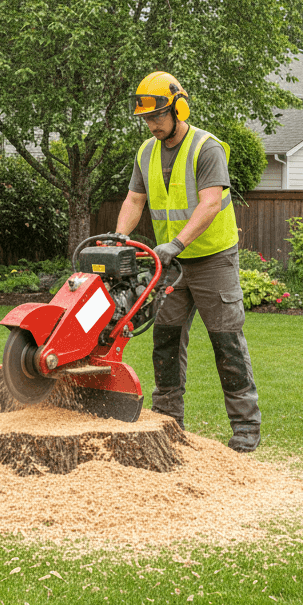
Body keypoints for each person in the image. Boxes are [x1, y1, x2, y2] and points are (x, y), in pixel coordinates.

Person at [114, 71, 261, 452]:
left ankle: (245, 428)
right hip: (170, 265)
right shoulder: (146, 152)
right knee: (165, 339)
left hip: (212, 260)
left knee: (226, 341)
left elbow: (211, 201)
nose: (151, 124)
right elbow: (134, 200)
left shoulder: (206, 148)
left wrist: (176, 242)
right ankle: (168, 421)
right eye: (146, 118)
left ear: (179, 107)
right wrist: (119, 241)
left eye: (157, 116)